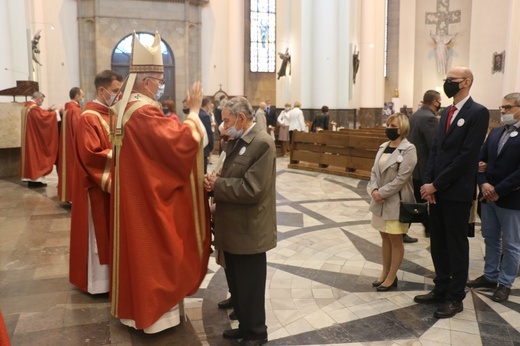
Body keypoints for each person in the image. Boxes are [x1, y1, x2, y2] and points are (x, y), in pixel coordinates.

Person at [109, 31, 211, 334]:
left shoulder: (125, 108)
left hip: (136, 190)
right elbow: (179, 143)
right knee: (157, 252)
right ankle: (154, 317)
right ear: (145, 81)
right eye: (158, 78)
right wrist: (193, 113)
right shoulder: (143, 111)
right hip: (148, 198)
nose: (160, 84)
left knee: (138, 253)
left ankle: (135, 311)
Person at [415, 66, 490, 319]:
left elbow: (466, 157)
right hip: (436, 190)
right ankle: (441, 287)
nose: (446, 84)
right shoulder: (447, 111)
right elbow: (435, 150)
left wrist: (437, 184)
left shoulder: (477, 113)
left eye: (451, 80)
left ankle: (456, 297)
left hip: (456, 192)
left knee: (456, 245)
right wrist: (428, 184)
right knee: (438, 243)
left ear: (466, 82)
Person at [204, 96, 277, 346]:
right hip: (234, 228)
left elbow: (252, 188)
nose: (223, 126)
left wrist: (219, 185)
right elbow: (230, 174)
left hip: (250, 230)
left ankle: (256, 333)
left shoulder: (262, 143)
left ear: (241, 118)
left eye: (226, 120)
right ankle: (244, 326)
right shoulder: (238, 141)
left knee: (250, 287)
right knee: (237, 283)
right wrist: (214, 184)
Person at [69, 70, 123, 294]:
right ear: (101, 90)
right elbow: (92, 155)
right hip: (95, 187)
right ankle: (98, 284)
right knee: (98, 235)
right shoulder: (88, 117)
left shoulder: (110, 114)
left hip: (110, 186)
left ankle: (112, 279)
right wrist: (124, 158)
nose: (118, 96)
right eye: (115, 91)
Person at [466, 92, 520, 302]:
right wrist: (484, 183)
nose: (503, 111)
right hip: (488, 198)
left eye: (508, 108)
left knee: (512, 244)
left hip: (511, 199)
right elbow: (481, 160)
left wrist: (498, 190)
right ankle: (490, 276)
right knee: (490, 238)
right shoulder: (496, 132)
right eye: (502, 107)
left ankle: (505, 283)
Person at [367, 113, 417, 292]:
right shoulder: (383, 146)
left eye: (393, 126)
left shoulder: (409, 149)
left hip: (396, 201)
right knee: (384, 236)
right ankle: (384, 272)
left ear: (402, 127)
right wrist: (373, 190)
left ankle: (391, 276)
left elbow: (402, 178)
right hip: (379, 201)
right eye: (387, 125)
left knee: (395, 239)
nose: (389, 128)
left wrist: (381, 192)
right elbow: (374, 172)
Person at [407, 90, 441, 238]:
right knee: (421, 199)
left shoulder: (414, 115)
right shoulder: (430, 118)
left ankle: (426, 227)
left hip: (412, 165)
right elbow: (434, 145)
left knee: (414, 198)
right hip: (423, 167)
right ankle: (430, 227)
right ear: (435, 102)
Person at [20, 91, 62, 187]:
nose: (41, 102)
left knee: (31, 156)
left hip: (30, 136)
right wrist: (56, 111)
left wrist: (47, 110)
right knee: (36, 156)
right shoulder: (33, 108)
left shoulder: (26, 106)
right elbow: (42, 118)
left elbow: (38, 116)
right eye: (41, 100)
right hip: (34, 138)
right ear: (38, 99)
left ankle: (31, 179)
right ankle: (36, 181)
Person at [57, 87, 84, 202]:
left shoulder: (68, 109)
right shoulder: (76, 111)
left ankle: (68, 196)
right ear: (77, 96)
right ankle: (74, 197)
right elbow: (80, 130)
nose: (82, 98)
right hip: (73, 145)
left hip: (67, 145)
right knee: (74, 170)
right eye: (82, 96)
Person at [200, 97, 215, 173]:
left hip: (197, 146)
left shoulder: (197, 113)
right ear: (208, 105)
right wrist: (211, 146)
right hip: (204, 146)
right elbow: (209, 132)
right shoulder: (205, 116)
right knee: (203, 171)